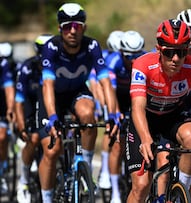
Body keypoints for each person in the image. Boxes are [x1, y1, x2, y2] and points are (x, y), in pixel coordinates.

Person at [126, 19, 191, 203]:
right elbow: (137, 106)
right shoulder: (142, 65)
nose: (176, 59)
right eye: (169, 52)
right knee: (140, 187)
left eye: (181, 52)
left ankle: (181, 194)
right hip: (145, 119)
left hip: (173, 117)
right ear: (158, 49)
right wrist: (146, 139)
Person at [38, 3, 119, 202]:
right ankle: (47, 198)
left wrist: (112, 114)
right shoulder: (51, 47)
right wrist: (52, 117)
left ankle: (86, 165)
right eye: (67, 26)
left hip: (76, 92)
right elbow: (47, 85)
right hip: (52, 97)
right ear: (60, 29)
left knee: (88, 115)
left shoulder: (92, 46)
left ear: (84, 28)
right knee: (52, 150)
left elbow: (105, 82)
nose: (73, 31)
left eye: (77, 26)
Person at [98, 30, 146, 203]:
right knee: (118, 143)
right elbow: (109, 90)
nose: (133, 61)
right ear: (121, 53)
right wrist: (115, 114)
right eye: (128, 57)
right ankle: (116, 193)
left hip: (138, 99)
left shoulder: (145, 60)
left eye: (137, 55)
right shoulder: (113, 61)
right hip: (118, 97)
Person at [15, 34, 53, 203]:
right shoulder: (27, 67)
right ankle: (23, 179)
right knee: (34, 138)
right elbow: (18, 100)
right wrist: (21, 124)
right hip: (30, 103)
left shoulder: (57, 65)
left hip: (49, 104)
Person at [96, 30, 124, 192]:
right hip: (107, 95)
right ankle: (105, 170)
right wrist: (103, 107)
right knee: (110, 129)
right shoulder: (106, 58)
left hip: (123, 95)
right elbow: (97, 85)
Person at [0, 42, 16, 195]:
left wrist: (11, 108)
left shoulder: (3, 64)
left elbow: (10, 89)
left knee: (2, 137)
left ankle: (2, 169)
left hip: (2, 104)